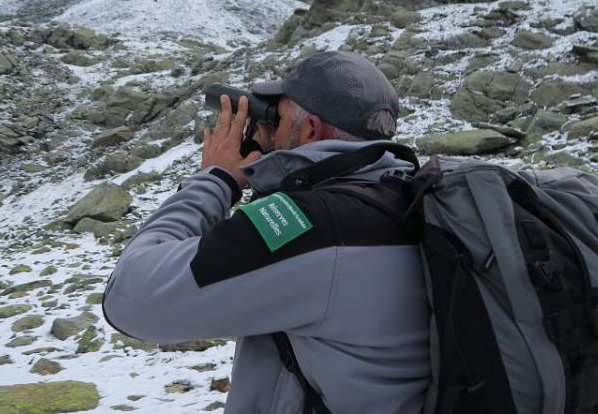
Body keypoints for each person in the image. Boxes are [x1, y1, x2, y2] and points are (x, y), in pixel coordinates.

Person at [103, 50, 430, 413]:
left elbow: (129, 297)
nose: (268, 127)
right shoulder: (406, 200)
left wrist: (216, 179)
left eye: (279, 115)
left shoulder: (314, 226)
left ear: (310, 129)